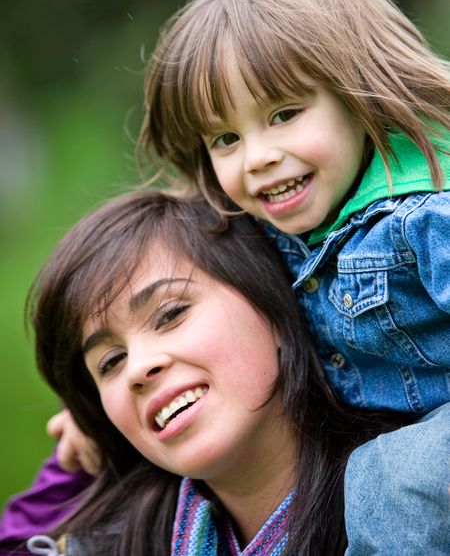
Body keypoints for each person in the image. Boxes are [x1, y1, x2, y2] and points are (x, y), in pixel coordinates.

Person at [135, 0, 450, 554]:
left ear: (357, 91)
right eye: (225, 138)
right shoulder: (277, 225)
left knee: (389, 481)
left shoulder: (423, 219)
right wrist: (91, 428)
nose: (258, 158)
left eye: (283, 115)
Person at [2, 189, 403, 556]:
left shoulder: (415, 485)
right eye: (111, 362)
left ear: (273, 308)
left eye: (171, 313)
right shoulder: (120, 540)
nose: (139, 367)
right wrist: (73, 465)